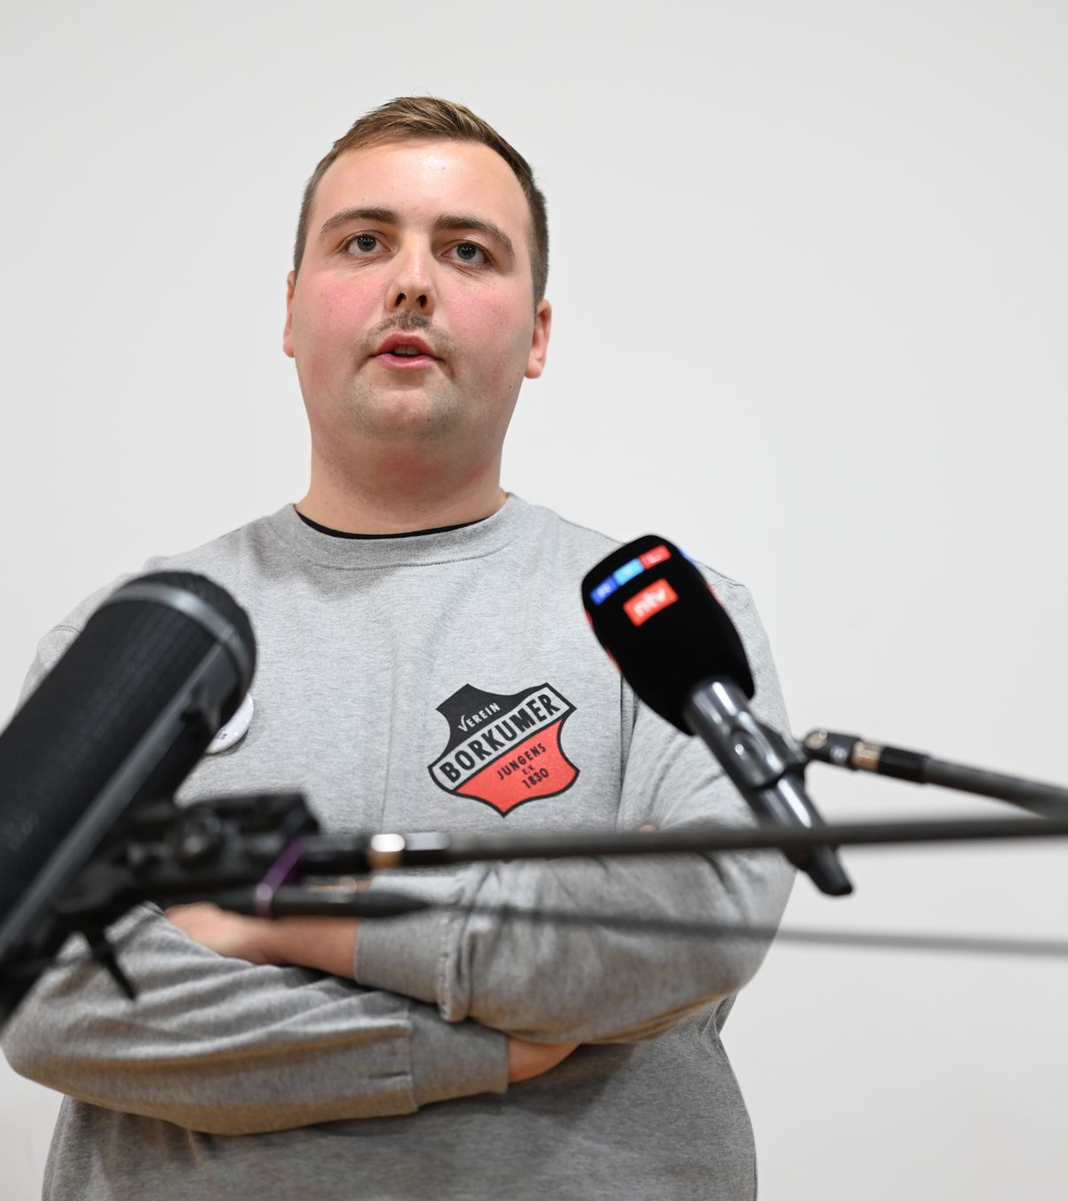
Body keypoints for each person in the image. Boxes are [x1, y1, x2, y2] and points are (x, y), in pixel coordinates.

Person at [2, 97, 795, 1200]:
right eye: (365, 241)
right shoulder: (139, 646)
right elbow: (48, 996)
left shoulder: (662, 621)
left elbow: (694, 925)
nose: (412, 282)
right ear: (291, 311)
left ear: (538, 334)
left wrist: (276, 915)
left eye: (468, 251)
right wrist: (479, 1044)